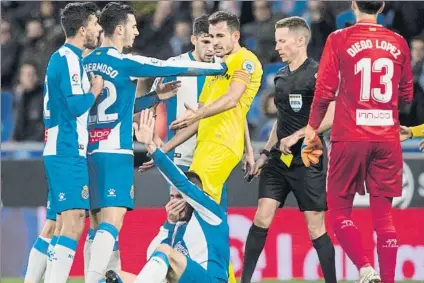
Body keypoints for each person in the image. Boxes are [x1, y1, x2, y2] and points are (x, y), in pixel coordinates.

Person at [82, 3, 226, 283]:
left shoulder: (85, 62)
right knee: (111, 225)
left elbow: (116, 106)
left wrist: (155, 98)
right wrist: (217, 68)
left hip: (87, 152)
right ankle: (94, 279)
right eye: (134, 27)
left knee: (94, 225)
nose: (137, 32)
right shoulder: (124, 61)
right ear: (120, 29)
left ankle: (103, 279)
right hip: (114, 152)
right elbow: (165, 65)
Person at [303, 1, 413, 283]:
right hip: (387, 138)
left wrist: (312, 129)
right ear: (382, 6)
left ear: (353, 5)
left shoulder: (339, 38)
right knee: (384, 219)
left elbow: (324, 91)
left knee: (339, 211)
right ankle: (387, 279)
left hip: (350, 135)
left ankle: (365, 269)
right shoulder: (399, 41)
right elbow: (407, 97)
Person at [240, 16, 337, 283]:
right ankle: (244, 280)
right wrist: (264, 154)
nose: (277, 46)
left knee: (315, 226)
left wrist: (298, 135)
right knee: (262, 215)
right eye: (276, 41)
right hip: (279, 159)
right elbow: (281, 121)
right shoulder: (280, 76)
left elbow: (333, 113)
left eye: (282, 41)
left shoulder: (319, 73)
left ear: (300, 40)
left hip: (308, 156)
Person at [101, 109, 230, 283]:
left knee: (166, 252)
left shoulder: (211, 213)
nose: (173, 202)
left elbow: (181, 182)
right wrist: (169, 223)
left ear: (193, 197)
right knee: (114, 276)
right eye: (171, 197)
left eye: (179, 197)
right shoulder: (178, 225)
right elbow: (152, 258)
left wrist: (151, 147)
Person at [163, 10, 262, 209]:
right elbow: (199, 117)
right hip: (193, 148)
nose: (214, 44)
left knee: (195, 207)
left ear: (234, 36)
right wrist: (163, 149)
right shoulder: (200, 68)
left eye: (218, 37)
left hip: (219, 144)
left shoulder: (235, 63)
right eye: (209, 38)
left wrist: (248, 149)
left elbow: (233, 102)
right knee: (203, 211)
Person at [39, 2, 104, 283]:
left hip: (60, 147)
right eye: (95, 23)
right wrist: (95, 90)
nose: (98, 29)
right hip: (66, 148)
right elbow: (76, 106)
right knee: (75, 219)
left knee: (61, 223)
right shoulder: (68, 59)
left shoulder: (64, 58)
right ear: (83, 28)